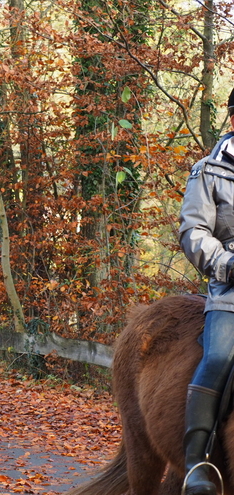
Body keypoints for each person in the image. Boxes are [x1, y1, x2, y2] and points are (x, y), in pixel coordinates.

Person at [178, 87, 234, 495]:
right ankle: (198, 462)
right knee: (219, 355)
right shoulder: (209, 171)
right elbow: (193, 230)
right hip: (230, 288)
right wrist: (227, 264)